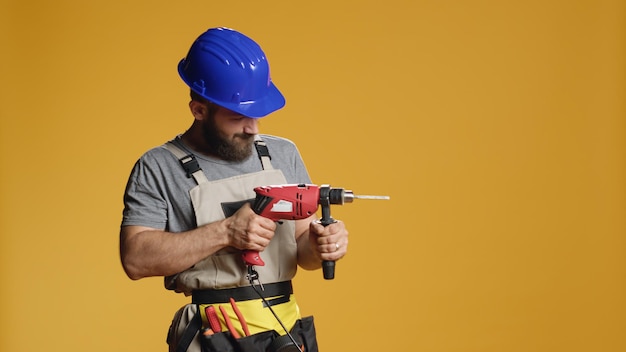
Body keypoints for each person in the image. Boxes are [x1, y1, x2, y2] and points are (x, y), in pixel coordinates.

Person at [119, 27, 349, 352]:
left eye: (257, 115)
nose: (252, 129)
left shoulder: (284, 154)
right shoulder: (158, 167)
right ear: (199, 110)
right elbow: (136, 260)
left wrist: (320, 245)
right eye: (238, 117)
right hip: (214, 337)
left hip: (285, 331)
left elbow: (303, 252)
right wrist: (226, 232)